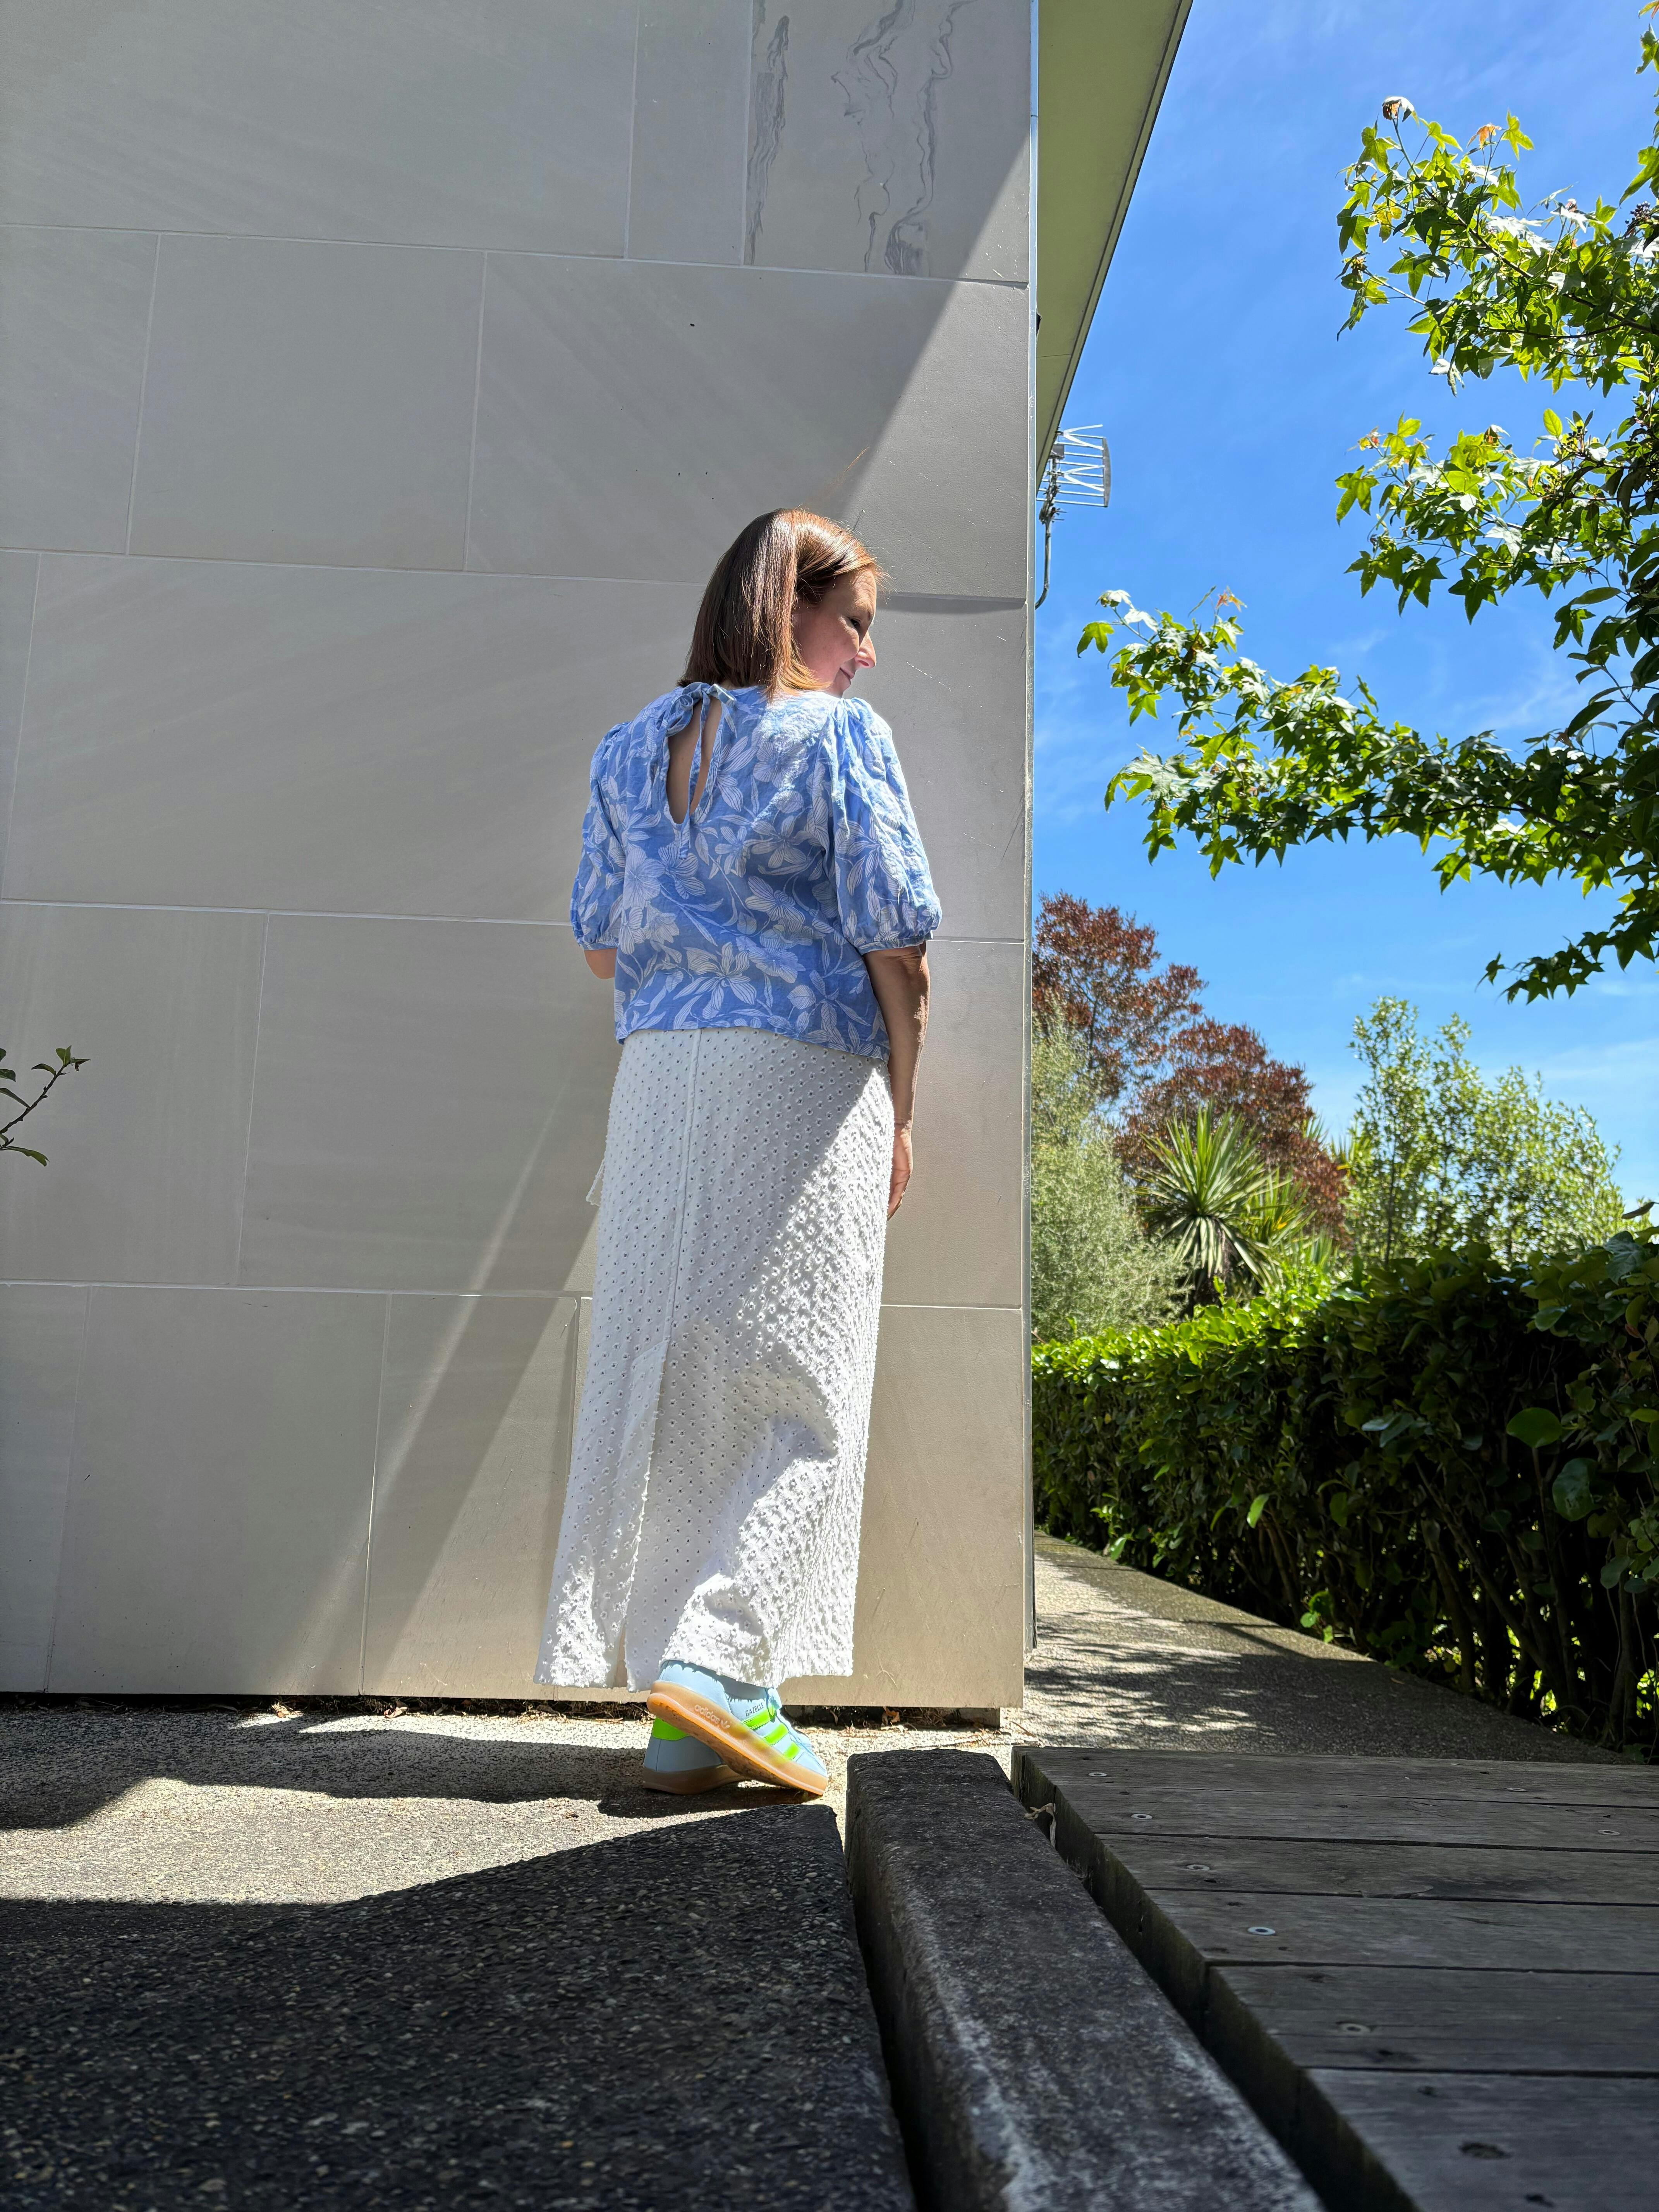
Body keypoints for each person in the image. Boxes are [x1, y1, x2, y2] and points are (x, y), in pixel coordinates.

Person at [534, 509, 939, 1798]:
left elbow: (600, 942)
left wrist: (697, 934)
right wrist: (905, 1107)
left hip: (658, 1079)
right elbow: (898, 943)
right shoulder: (839, 737)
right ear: (789, 610)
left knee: (682, 1382)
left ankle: (687, 1711)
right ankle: (718, 1663)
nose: (865, 655)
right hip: (799, 1071)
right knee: (807, 1389)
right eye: (853, 624)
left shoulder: (625, 751)